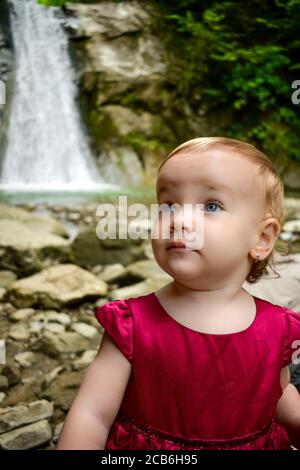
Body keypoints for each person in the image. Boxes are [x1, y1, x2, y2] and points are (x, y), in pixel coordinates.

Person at [56, 137, 300, 450]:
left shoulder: (278, 327)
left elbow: (278, 397)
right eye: (168, 206)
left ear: (263, 238)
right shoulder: (132, 325)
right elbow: (92, 414)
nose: (178, 221)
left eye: (211, 206)